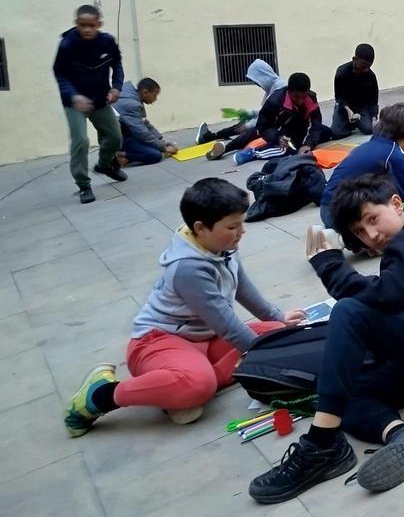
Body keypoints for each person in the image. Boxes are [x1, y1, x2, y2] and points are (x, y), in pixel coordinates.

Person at [247, 173, 404, 502]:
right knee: (338, 392)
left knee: (349, 311)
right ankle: (398, 433)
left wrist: (328, 264)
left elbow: (384, 295)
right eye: (359, 232)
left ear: (396, 204)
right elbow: (394, 294)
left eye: (372, 220)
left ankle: (320, 444)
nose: (371, 235)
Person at [63, 179, 302, 436]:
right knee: (213, 376)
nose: (241, 231)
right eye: (232, 226)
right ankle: (100, 395)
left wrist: (276, 316)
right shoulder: (188, 268)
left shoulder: (222, 246)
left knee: (276, 332)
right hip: (157, 344)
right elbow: (227, 325)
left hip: (205, 339)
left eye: (241, 223)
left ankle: (177, 391)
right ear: (201, 228)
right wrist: (267, 357)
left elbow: (242, 286)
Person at [320, 103, 404, 252]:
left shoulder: (370, 145)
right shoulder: (395, 154)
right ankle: (341, 240)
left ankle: (345, 237)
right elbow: (403, 203)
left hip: (329, 208)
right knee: (398, 233)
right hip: (342, 217)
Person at [53, 4, 126, 203]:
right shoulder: (67, 45)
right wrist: (74, 96)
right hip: (75, 103)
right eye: (82, 25)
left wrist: (116, 87)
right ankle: (84, 185)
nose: (87, 29)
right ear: (76, 24)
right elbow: (60, 74)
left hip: (100, 98)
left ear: (98, 24)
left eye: (91, 25)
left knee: (115, 136)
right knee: (81, 141)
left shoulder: (108, 42)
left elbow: (117, 65)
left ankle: (104, 165)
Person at [210, 72, 332, 163]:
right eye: (296, 97)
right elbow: (262, 127)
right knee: (287, 147)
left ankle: (226, 147)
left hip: (297, 125)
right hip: (278, 128)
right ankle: (248, 152)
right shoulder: (275, 101)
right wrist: (278, 138)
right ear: (289, 91)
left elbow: (316, 124)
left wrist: (309, 144)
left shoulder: (310, 98)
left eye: (303, 97)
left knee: (327, 133)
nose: (300, 101)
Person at [197, 59, 286, 145]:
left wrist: (247, 126)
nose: (257, 84)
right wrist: (250, 113)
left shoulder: (279, 89)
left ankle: (216, 141)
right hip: (272, 124)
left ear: (263, 76)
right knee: (244, 124)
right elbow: (265, 112)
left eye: (257, 81)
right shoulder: (274, 86)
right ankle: (211, 136)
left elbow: (267, 118)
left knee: (246, 129)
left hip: (278, 129)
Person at [114, 77, 178, 166]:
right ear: (145, 93)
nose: (155, 99)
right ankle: (120, 155)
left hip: (125, 133)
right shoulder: (132, 105)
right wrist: (164, 149)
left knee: (154, 146)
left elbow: (144, 123)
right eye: (154, 95)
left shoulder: (132, 96)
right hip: (121, 138)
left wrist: (161, 141)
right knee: (155, 155)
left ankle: (126, 156)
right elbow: (142, 133)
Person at [330, 44, 379, 138]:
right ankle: (350, 123)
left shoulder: (371, 76)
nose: (366, 70)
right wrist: (348, 111)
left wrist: (374, 118)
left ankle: (357, 122)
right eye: (363, 66)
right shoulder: (342, 72)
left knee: (369, 129)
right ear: (354, 59)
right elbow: (339, 97)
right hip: (344, 107)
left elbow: (373, 100)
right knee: (336, 133)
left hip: (361, 108)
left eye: (368, 67)